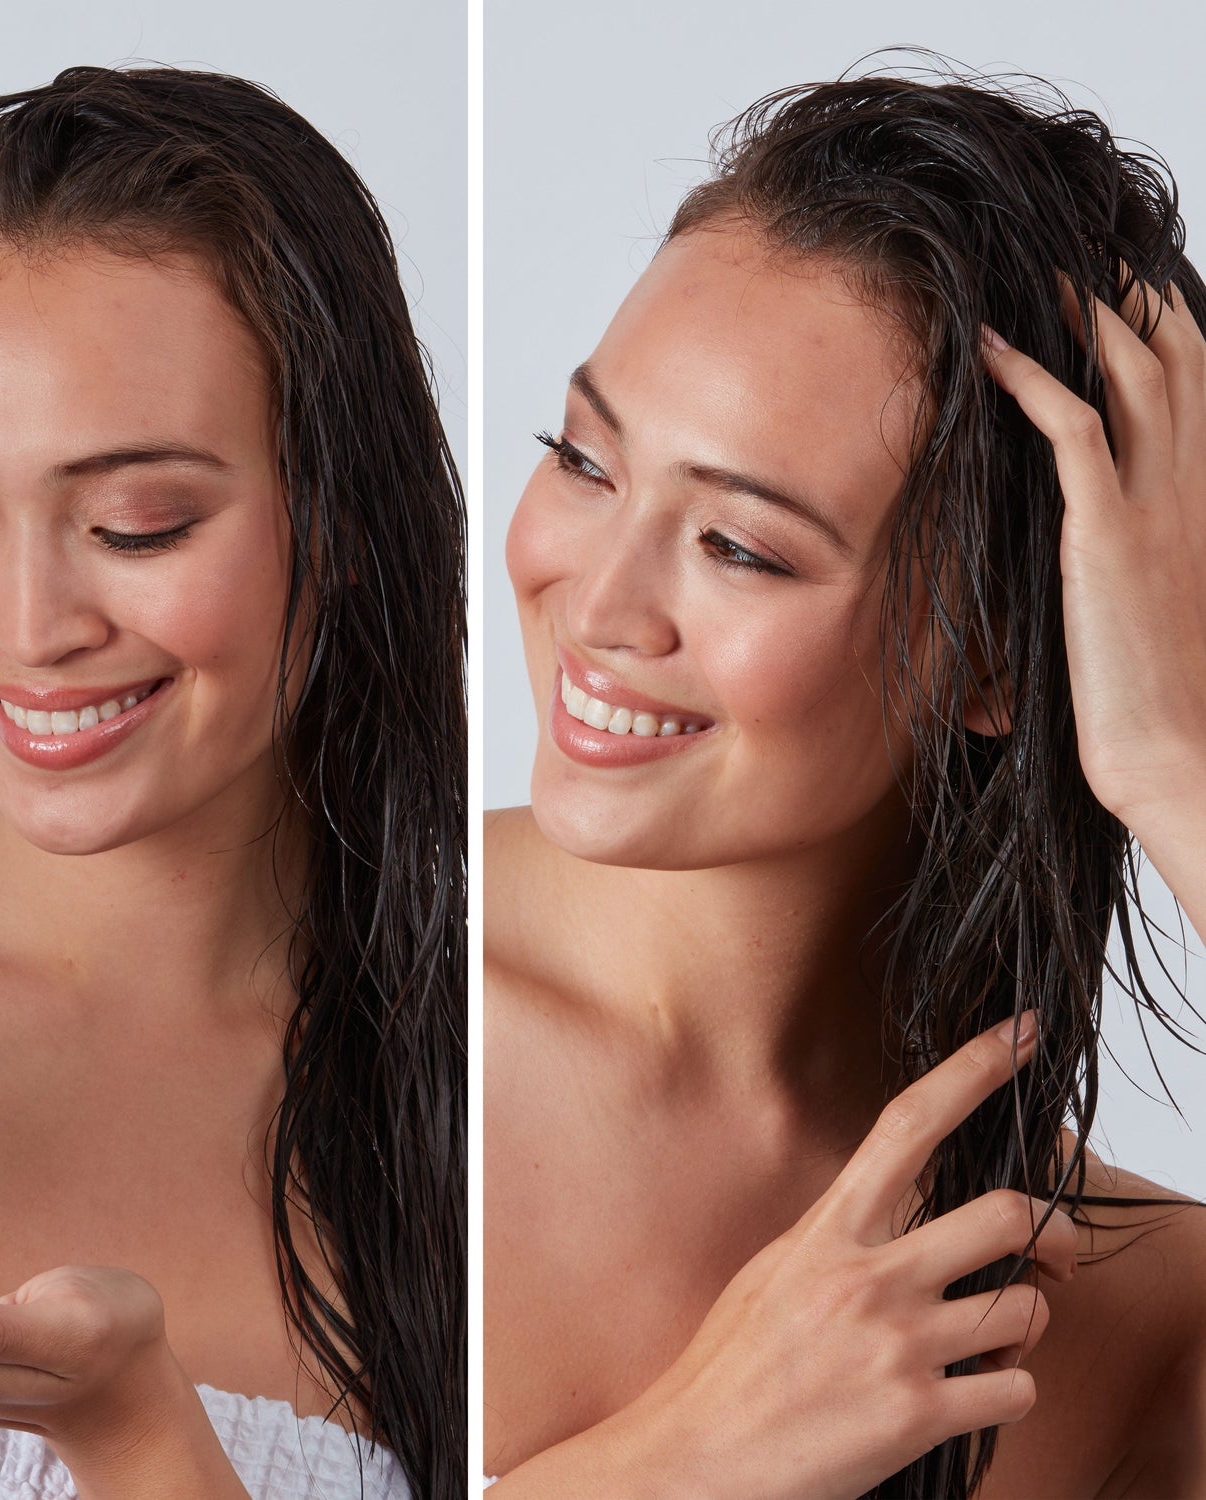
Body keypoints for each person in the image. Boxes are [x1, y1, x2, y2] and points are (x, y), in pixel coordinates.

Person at [0, 64, 465, 1500]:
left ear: (347, 521)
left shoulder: (490, 1111)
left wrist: (138, 1437)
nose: (33, 625)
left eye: (137, 523)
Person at [484, 61, 1206, 1499]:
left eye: (740, 548)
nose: (600, 606)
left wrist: (1176, 765)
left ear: (998, 657)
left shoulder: (1124, 1307)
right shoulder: (333, 1000)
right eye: (585, 459)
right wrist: (690, 1461)